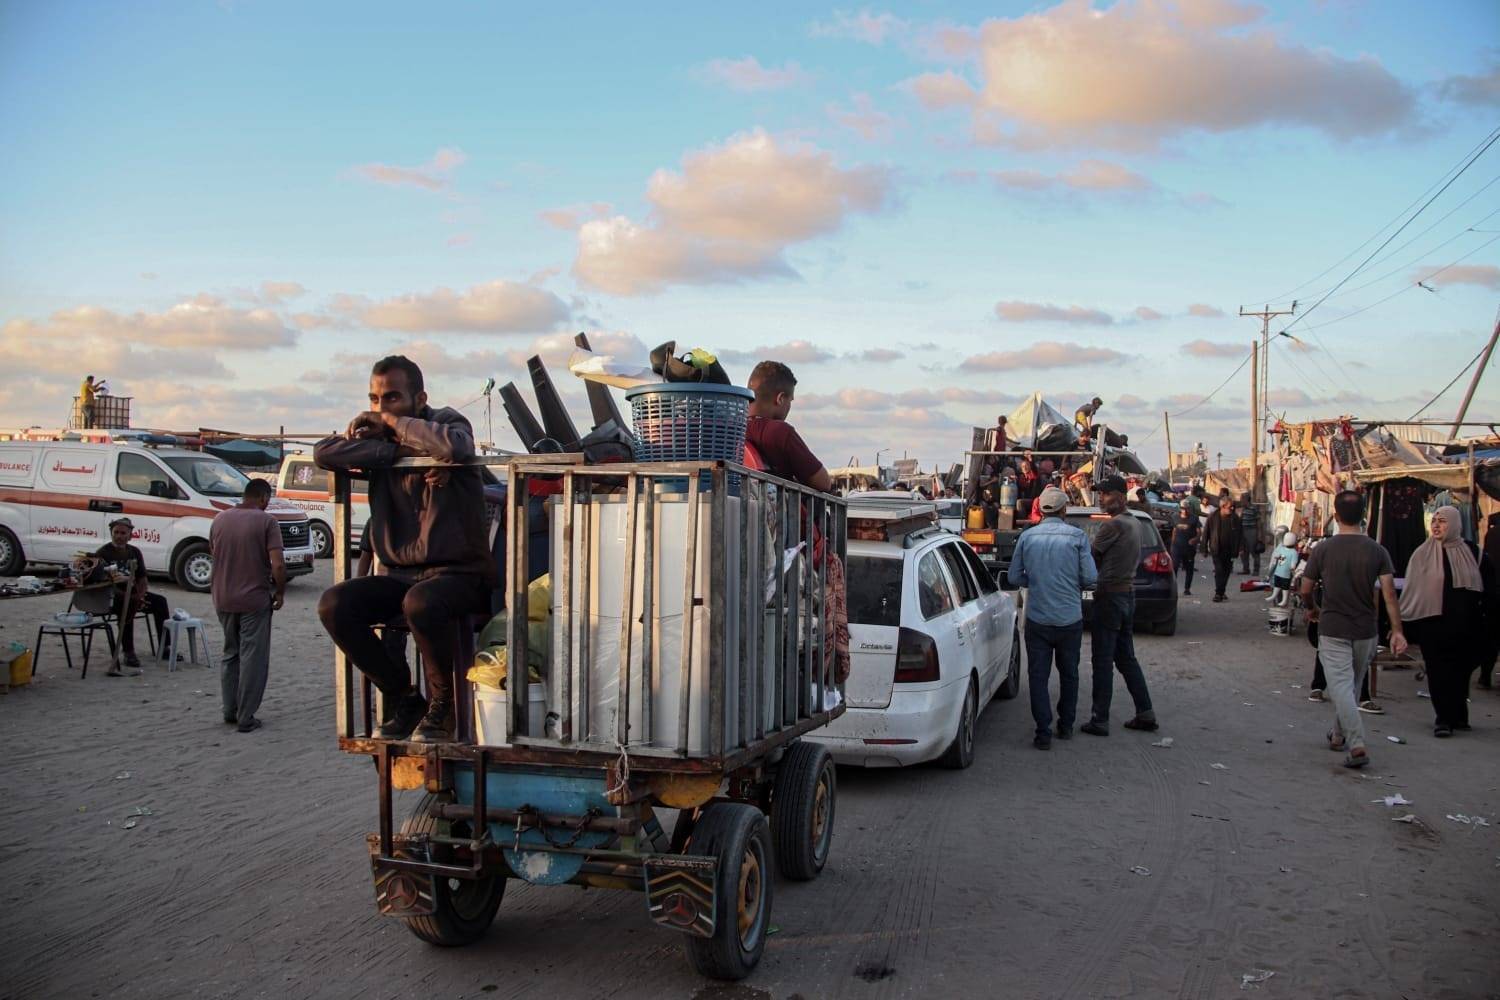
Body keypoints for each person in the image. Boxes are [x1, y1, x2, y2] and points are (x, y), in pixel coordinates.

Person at [316, 355, 495, 743]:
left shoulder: (446, 421)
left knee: (421, 602)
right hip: (401, 574)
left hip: (460, 574)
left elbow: (456, 446)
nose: (380, 408)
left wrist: (398, 428)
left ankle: (442, 707)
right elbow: (324, 453)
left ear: (419, 398)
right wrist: (399, 453)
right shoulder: (380, 438)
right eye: (375, 399)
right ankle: (403, 697)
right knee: (334, 604)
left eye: (392, 398)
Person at [744, 360, 848, 686]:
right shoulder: (781, 433)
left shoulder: (732, 427)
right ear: (779, 399)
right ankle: (822, 675)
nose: (788, 407)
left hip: (750, 535)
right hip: (789, 543)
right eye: (789, 401)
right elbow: (822, 482)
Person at [1299, 489, 1407, 768]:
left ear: (1335, 515)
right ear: (1365, 516)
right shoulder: (1377, 550)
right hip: (1366, 630)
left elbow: (1306, 588)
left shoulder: (1322, 549)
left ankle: (1357, 744)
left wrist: (1311, 608)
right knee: (1351, 685)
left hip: (1333, 627)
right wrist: (1397, 630)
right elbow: (1389, 595)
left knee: (1341, 689)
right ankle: (1337, 736)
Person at [1008, 486, 1097, 750]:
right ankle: (1066, 725)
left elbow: (1014, 578)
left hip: (1037, 619)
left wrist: (1035, 581)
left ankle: (1042, 732)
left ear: (1041, 510)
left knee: (1038, 676)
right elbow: (1091, 580)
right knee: (1069, 674)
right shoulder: (1078, 537)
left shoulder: (1028, 537)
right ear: (1064, 510)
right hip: (1069, 619)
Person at [1397, 506, 1495, 737]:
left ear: (1455, 523)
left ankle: (1459, 715)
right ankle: (1443, 718)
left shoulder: (1475, 553)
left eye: (1443, 521)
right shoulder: (1422, 554)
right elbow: (1412, 590)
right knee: (1439, 672)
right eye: (1434, 521)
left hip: (1467, 626)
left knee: (1460, 672)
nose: (1437, 526)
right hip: (1433, 625)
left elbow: (1489, 590)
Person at [1082, 475, 1157, 736]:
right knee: (1126, 657)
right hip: (1127, 595)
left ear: (1121, 497)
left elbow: (1090, 557)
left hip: (1110, 596)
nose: (1101, 498)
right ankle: (1145, 712)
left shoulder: (1113, 526)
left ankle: (1099, 719)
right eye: (1100, 494)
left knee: (1102, 659)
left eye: (1105, 494)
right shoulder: (1134, 522)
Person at [210, 478, 286, 733]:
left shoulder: (220, 519)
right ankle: (246, 715)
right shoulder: (267, 522)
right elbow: (277, 563)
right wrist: (280, 592)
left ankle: (229, 709)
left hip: (222, 596)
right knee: (253, 656)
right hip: (254, 599)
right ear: (264, 498)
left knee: (230, 653)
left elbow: (215, 554)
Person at [91, 518, 169, 675]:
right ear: (112, 533)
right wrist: (129, 597)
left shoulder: (134, 552)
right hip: (113, 596)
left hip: (134, 592)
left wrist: (140, 595)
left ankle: (165, 647)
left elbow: (142, 578)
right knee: (126, 607)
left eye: (123, 533)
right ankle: (129, 652)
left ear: (130, 535)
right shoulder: (102, 553)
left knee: (160, 602)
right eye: (116, 533)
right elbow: (103, 583)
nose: (119, 536)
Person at [1200, 494, 1242, 602]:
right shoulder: (1213, 517)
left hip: (1230, 550)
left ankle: (1221, 591)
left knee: (1226, 571)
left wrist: (1241, 547)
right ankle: (1218, 593)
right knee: (1219, 570)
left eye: (1233, 506)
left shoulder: (1235, 518)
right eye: (1230, 507)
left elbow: (1240, 533)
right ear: (1222, 506)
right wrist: (1203, 548)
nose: (1232, 509)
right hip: (1216, 549)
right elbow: (1206, 533)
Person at [1170, 501, 1200, 596]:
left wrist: (1195, 539)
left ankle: (1187, 588)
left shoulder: (1194, 518)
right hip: (1177, 547)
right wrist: (1172, 544)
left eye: (1187, 508)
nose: (1185, 511)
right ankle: (1173, 588)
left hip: (1189, 548)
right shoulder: (1175, 517)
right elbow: (1174, 531)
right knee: (1174, 568)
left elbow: (1199, 532)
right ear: (1180, 508)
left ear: (1189, 509)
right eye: (1183, 508)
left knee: (1189, 568)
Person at [1265, 530, 1300, 607]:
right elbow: (1277, 562)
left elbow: (1277, 562)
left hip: (1285, 574)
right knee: (1278, 587)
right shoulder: (1282, 549)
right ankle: (1276, 598)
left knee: (1284, 589)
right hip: (1279, 573)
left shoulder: (1291, 552)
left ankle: (1282, 601)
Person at [1238, 492, 1262, 575]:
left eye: (1242, 499)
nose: (1240, 501)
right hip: (1243, 531)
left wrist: (1259, 535)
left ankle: (1256, 570)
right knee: (1243, 551)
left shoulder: (1254, 508)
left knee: (1254, 551)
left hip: (1251, 531)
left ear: (1246, 499)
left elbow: (1259, 522)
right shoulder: (1243, 509)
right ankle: (1246, 569)